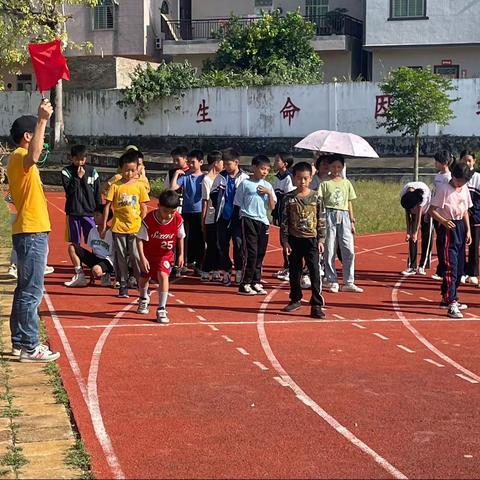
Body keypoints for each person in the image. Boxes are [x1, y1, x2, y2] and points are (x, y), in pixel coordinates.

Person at [7, 99, 60, 362]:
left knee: (24, 289)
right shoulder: (20, 157)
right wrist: (42, 120)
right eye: (37, 134)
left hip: (28, 229)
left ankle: (19, 342)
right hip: (31, 231)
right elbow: (34, 155)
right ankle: (30, 345)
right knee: (31, 291)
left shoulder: (17, 160)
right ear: (27, 136)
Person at [101, 149, 150, 298]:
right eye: (126, 170)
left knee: (135, 256)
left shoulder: (140, 186)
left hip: (135, 228)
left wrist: (142, 224)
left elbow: (144, 207)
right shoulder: (116, 186)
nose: (129, 173)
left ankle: (141, 283)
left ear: (137, 170)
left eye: (132, 170)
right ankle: (123, 284)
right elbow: (107, 206)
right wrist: (104, 226)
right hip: (119, 227)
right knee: (121, 257)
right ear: (121, 169)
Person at [280, 162, 325, 318]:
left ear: (311, 178)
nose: (302, 182)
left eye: (306, 178)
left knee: (314, 272)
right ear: (294, 178)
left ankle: (316, 304)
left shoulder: (316, 197)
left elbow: (321, 218)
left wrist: (321, 239)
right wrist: (285, 241)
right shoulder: (288, 198)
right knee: (294, 271)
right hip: (294, 240)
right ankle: (295, 299)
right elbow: (284, 221)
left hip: (311, 240)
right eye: (299, 178)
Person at [428, 162, 473, 318]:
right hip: (448, 228)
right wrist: (444, 221)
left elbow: (466, 209)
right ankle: (451, 302)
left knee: (460, 268)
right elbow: (431, 211)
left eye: (464, 181)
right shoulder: (443, 189)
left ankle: (448, 297)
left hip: (460, 226)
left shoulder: (464, 189)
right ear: (453, 177)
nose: (461, 183)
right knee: (450, 266)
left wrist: (468, 230)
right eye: (459, 180)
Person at [136, 190, 185, 323]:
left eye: (172, 212)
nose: (168, 215)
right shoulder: (149, 220)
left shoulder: (178, 219)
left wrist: (181, 254)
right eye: (165, 211)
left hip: (165, 256)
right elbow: (139, 239)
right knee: (144, 278)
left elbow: (181, 237)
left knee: (163, 275)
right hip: (149, 254)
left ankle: (161, 309)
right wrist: (142, 258)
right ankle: (143, 298)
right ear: (158, 206)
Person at [320, 154, 363, 293]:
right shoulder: (324, 183)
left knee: (348, 249)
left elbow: (349, 202)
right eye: (333, 166)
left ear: (342, 167)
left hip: (344, 216)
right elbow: (320, 202)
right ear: (329, 167)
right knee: (330, 249)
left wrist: (352, 220)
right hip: (329, 216)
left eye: (339, 166)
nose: (336, 169)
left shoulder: (347, 183)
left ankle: (348, 281)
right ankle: (332, 280)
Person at [234, 155, 276, 295]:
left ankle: (256, 282)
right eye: (262, 169)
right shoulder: (245, 184)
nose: (264, 172)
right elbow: (237, 203)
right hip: (248, 219)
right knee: (251, 252)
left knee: (260, 253)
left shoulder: (268, 186)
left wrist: (269, 193)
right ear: (254, 168)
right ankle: (245, 283)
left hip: (263, 222)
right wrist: (238, 221)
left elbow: (272, 207)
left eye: (267, 170)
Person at [210, 148, 249, 286]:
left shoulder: (245, 178)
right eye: (224, 164)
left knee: (239, 245)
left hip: (238, 218)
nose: (226, 167)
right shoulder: (221, 177)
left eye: (228, 164)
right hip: (223, 217)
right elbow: (213, 193)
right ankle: (226, 271)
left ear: (236, 163)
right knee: (222, 245)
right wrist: (219, 207)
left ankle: (239, 271)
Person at [170, 149, 205, 273]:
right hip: (186, 211)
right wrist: (176, 175)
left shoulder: (204, 177)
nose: (190, 165)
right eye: (188, 162)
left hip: (199, 211)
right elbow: (173, 187)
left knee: (199, 239)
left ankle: (199, 265)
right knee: (184, 238)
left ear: (201, 162)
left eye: (193, 162)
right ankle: (181, 263)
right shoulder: (185, 177)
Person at [61, 145, 102, 251]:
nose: (79, 162)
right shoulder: (66, 172)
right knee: (75, 243)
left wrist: (99, 210)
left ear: (86, 158)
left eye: (82, 159)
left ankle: (95, 262)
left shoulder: (92, 172)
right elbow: (69, 191)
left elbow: (97, 193)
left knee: (94, 241)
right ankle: (78, 266)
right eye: (76, 159)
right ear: (72, 158)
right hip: (74, 212)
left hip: (89, 212)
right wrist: (77, 178)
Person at [64, 208, 114, 288]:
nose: (94, 217)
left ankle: (106, 273)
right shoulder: (93, 230)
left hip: (108, 260)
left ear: (105, 217)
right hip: (96, 257)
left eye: (97, 215)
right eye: (94, 215)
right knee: (72, 247)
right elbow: (93, 249)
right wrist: (91, 268)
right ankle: (80, 275)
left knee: (96, 271)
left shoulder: (112, 233)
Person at [400, 182, 433, 276]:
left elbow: (418, 214)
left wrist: (415, 232)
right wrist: (408, 232)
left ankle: (423, 265)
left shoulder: (423, 195)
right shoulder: (404, 194)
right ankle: (411, 266)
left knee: (427, 236)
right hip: (415, 209)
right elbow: (407, 214)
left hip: (427, 211)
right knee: (411, 238)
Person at [201, 150, 224, 282]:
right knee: (211, 245)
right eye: (221, 162)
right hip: (210, 216)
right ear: (216, 163)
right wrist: (203, 220)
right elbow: (205, 202)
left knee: (218, 244)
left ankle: (215, 269)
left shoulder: (221, 178)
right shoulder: (206, 180)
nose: (223, 164)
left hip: (220, 216)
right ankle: (206, 270)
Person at [431, 150, 454, 281]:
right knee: (439, 242)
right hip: (436, 212)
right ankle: (441, 268)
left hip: (443, 214)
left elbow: (447, 197)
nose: (435, 163)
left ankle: (443, 269)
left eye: (437, 161)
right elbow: (434, 192)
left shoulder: (449, 177)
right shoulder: (438, 176)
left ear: (444, 163)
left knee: (443, 243)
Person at [271, 152, 294, 280]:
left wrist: (286, 216)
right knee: (283, 241)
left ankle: (290, 269)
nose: (274, 163)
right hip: (280, 215)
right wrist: (274, 214)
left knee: (287, 242)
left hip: (287, 217)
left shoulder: (288, 178)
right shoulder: (278, 178)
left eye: (277, 160)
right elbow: (275, 199)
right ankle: (287, 267)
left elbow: (289, 199)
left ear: (284, 164)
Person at [460, 149, 480, 285]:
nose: (467, 163)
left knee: (474, 245)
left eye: (469, 160)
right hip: (459, 216)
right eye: (464, 160)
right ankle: (461, 271)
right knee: (459, 245)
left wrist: (472, 210)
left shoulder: (478, 177)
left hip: (475, 216)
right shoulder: (457, 175)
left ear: (474, 161)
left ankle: (473, 273)